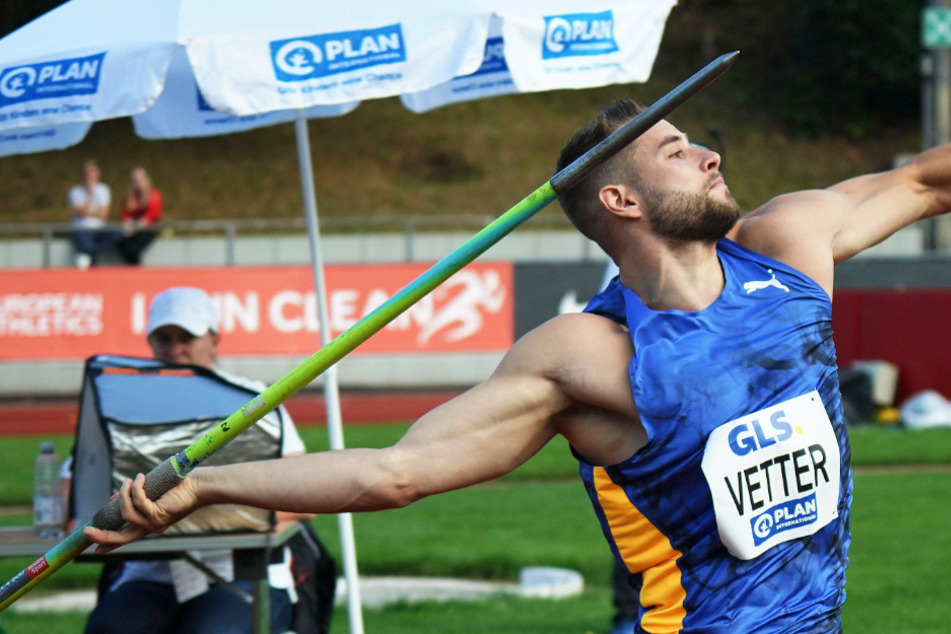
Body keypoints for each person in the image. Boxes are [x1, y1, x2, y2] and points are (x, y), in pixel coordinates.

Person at [85, 97, 951, 632]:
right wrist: (208, 487)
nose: (709, 154)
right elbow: (396, 470)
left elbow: (924, 183)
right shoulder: (586, 355)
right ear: (620, 200)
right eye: (675, 150)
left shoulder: (789, 246)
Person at [71, 287, 311, 634]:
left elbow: (302, 498)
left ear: (214, 340)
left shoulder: (254, 401)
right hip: (150, 574)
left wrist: (198, 511)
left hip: (240, 571)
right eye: (164, 338)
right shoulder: (123, 407)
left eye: (187, 337)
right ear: (150, 343)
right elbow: (73, 493)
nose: (175, 349)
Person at [67, 159, 115, 269]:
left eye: (93, 173)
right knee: (87, 244)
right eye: (88, 174)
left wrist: (89, 212)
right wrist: (90, 193)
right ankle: (94, 266)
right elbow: (84, 213)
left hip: (99, 229)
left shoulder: (104, 189)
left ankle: (86, 260)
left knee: (117, 233)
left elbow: (104, 213)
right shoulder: (75, 191)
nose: (90, 177)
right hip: (82, 229)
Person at [115, 166, 163, 265]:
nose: (138, 183)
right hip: (132, 229)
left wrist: (133, 228)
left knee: (133, 249)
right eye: (135, 180)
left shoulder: (153, 195)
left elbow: (149, 217)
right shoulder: (130, 197)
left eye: (140, 179)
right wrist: (128, 225)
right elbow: (124, 217)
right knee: (118, 241)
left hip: (148, 229)